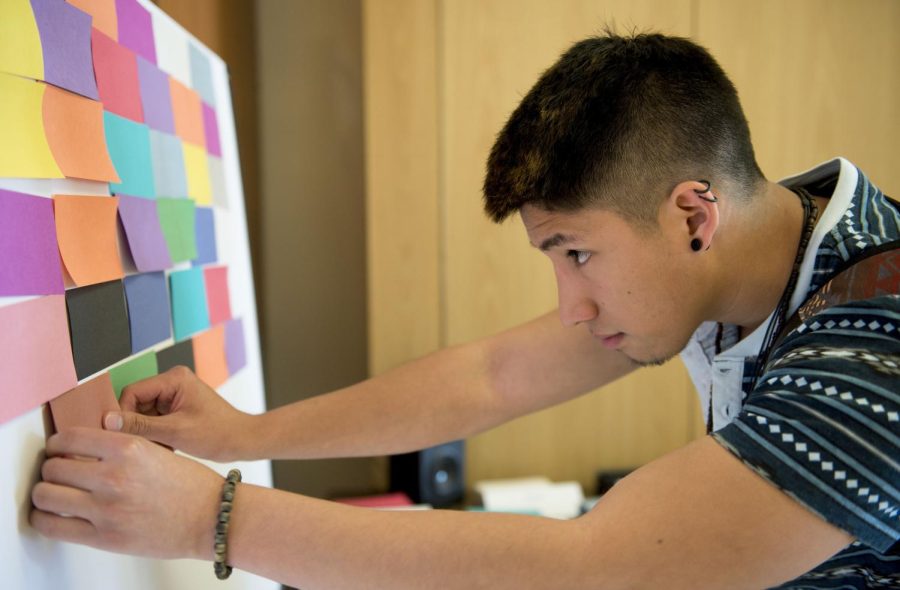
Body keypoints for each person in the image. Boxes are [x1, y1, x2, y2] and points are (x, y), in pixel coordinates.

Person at [31, 32, 898, 589]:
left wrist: (209, 518)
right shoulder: (745, 246)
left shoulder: (874, 345)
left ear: (693, 216)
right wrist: (243, 435)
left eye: (577, 254)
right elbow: (493, 377)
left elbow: (594, 569)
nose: (570, 304)